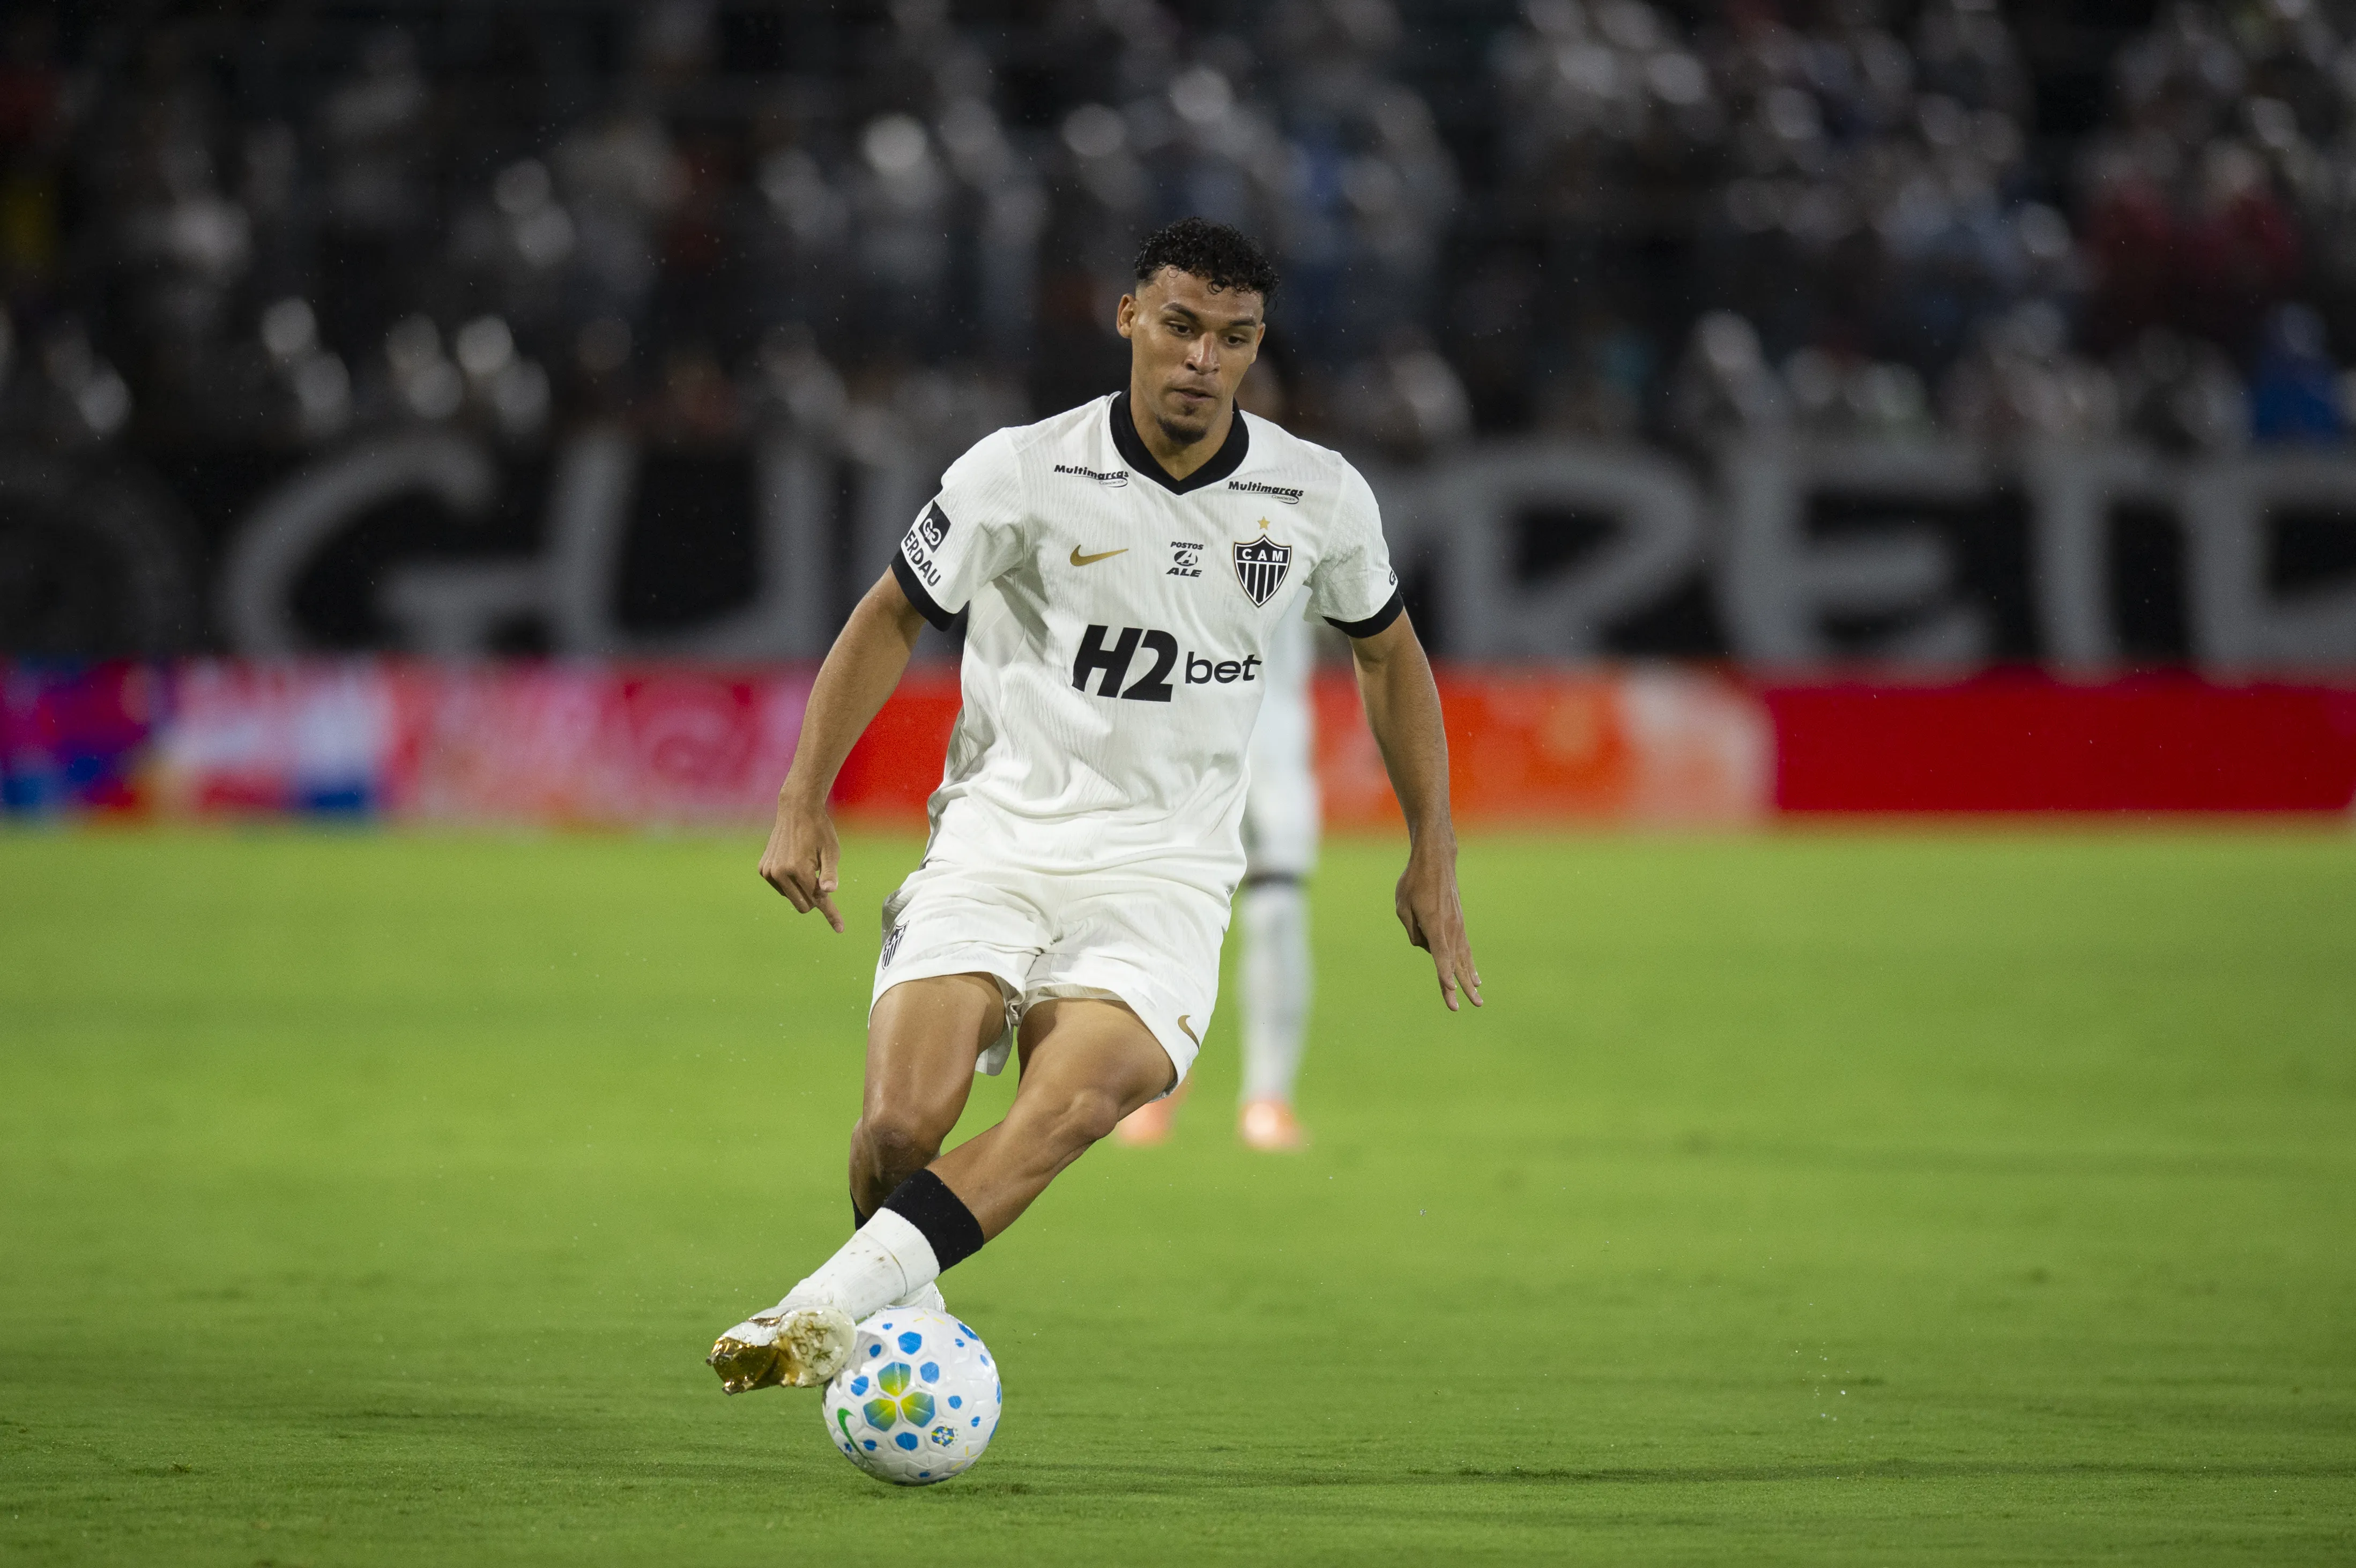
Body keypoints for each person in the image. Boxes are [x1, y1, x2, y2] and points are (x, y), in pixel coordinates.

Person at [708, 217, 1480, 1395]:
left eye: (1234, 338)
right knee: (897, 1132)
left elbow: (1390, 655)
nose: (1202, 360)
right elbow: (890, 614)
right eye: (1180, 326)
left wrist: (1433, 844)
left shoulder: (1315, 494)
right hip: (996, 842)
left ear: (1256, 346)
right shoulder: (1018, 472)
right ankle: (901, 1330)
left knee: (1068, 1105)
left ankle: (821, 1309)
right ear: (1128, 317)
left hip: (1163, 880)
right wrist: (801, 797)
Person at [1112, 591, 1322, 1151]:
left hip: (1274, 743)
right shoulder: (1165, 512)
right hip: (1175, 744)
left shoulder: (1306, 508)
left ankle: (1268, 1098)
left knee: (1277, 907)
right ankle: (1157, 1084)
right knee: (1161, 913)